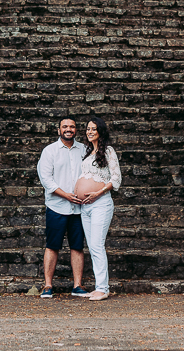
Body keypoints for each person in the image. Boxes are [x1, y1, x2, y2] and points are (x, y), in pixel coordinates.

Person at [36, 117, 90, 298]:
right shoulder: (49, 151)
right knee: (52, 246)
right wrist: (66, 195)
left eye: (72, 126)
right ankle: (48, 286)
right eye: (65, 126)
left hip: (79, 208)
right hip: (57, 206)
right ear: (59, 129)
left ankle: (77, 285)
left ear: (76, 130)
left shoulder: (84, 149)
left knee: (77, 246)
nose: (69, 129)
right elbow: (46, 179)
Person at [75, 116, 121, 301]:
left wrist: (98, 193)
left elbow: (116, 179)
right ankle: (99, 286)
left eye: (93, 129)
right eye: (87, 129)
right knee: (92, 246)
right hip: (85, 207)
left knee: (97, 245)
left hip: (101, 204)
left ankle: (103, 288)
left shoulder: (108, 151)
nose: (90, 131)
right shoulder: (87, 153)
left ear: (100, 131)